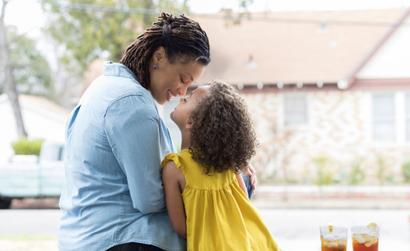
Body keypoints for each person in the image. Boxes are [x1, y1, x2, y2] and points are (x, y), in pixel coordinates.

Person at [58, 13, 211, 251]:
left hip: (86, 237)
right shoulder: (132, 104)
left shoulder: (104, 87)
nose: (182, 92)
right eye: (183, 78)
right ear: (159, 56)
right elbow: (150, 200)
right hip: (121, 240)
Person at [161, 81, 280, 251]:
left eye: (186, 100)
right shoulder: (227, 164)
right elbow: (243, 199)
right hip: (250, 242)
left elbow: (182, 228)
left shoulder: (175, 168)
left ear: (191, 122)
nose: (181, 98)